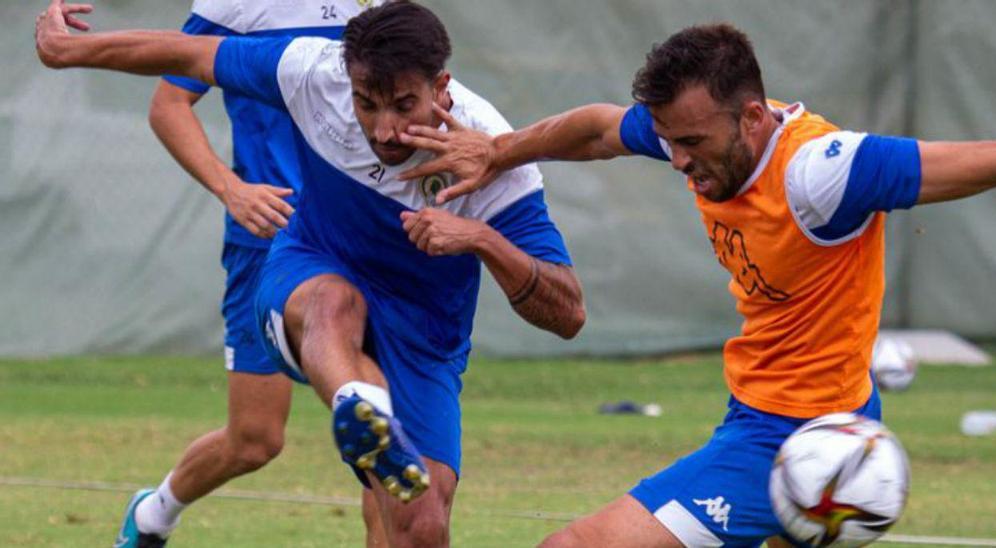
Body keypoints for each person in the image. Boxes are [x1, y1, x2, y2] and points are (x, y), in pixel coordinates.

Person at [394, 23, 996, 547]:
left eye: (694, 141)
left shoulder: (826, 173)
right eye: (671, 142)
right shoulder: (688, 136)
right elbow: (591, 129)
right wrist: (499, 150)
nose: (681, 162)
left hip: (789, 440)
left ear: (756, 116)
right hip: (789, 414)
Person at [34, 1, 586, 546]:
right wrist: (68, 50)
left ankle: (370, 422)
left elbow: (568, 315)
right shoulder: (313, 70)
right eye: (367, 104)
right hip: (308, 265)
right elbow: (185, 56)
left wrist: (483, 240)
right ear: (348, 80)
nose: (386, 129)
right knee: (326, 316)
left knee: (420, 527)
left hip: (423, 332)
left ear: (441, 87)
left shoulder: (489, 155)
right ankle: (358, 405)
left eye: (404, 105)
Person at [113, 1, 390, 546]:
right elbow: (169, 103)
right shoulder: (236, 5)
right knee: (255, 440)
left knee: (381, 439)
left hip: (360, 237)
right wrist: (230, 188)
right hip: (267, 241)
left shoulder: (378, 7)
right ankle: (154, 514)